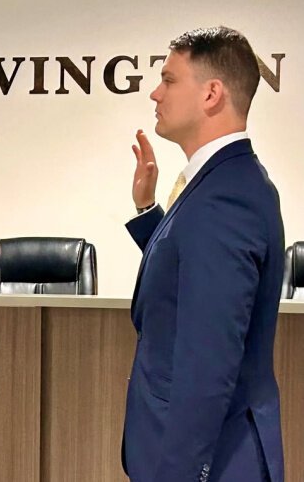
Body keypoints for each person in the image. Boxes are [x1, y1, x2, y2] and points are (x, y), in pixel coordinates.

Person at [124, 27, 284, 482]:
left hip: (212, 461)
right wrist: (146, 210)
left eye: (169, 80)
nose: (155, 93)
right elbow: (191, 276)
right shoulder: (222, 183)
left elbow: (208, 364)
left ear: (212, 93)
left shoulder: (224, 198)